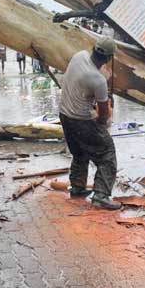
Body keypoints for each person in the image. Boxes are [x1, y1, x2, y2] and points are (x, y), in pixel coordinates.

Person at [59, 38, 120, 209]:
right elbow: (103, 115)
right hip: (81, 120)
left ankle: (78, 187)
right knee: (107, 153)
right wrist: (102, 124)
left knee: (80, 152)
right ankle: (101, 195)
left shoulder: (79, 56)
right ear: (109, 58)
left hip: (64, 115)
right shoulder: (98, 80)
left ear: (93, 49)